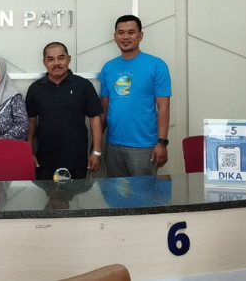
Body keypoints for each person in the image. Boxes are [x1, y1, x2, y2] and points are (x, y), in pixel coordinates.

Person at [99, 15, 171, 178]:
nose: (125, 37)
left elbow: (163, 107)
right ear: (115, 37)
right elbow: (104, 108)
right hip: (113, 145)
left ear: (140, 35)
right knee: (116, 192)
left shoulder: (156, 65)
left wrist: (162, 142)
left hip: (144, 146)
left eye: (131, 32)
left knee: (144, 192)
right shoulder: (108, 68)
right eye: (121, 33)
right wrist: (96, 146)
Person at [26, 42, 104, 180]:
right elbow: (30, 122)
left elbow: (95, 118)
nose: (56, 63)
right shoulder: (35, 89)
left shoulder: (84, 86)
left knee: (76, 193)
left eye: (61, 58)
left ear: (69, 59)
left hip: (77, 158)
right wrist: (28, 153)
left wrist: (96, 152)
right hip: (44, 158)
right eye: (50, 59)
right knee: (46, 193)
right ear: (44, 62)